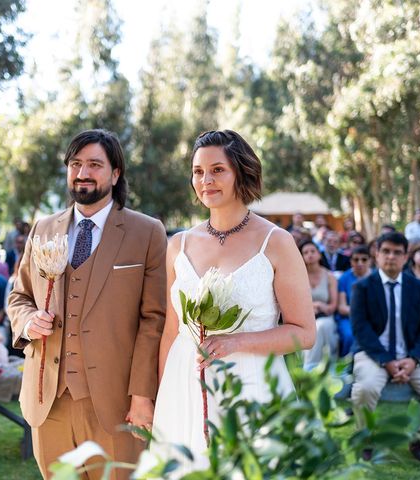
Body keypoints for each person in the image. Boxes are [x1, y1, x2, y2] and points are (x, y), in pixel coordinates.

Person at [152, 130, 315, 474]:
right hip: (184, 386)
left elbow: (304, 333)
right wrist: (160, 397)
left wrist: (236, 341)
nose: (205, 180)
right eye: (197, 171)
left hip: (251, 384)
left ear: (241, 172)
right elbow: (171, 331)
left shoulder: (277, 242)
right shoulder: (178, 245)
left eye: (217, 170)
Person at [8, 128, 167, 480]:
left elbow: (153, 320)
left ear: (115, 173)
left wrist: (143, 395)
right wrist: (27, 320)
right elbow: (19, 295)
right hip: (47, 399)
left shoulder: (148, 232)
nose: (82, 173)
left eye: (94, 164)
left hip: (117, 402)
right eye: (75, 163)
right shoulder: (43, 229)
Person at [350, 232, 420, 462]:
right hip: (373, 354)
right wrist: (386, 361)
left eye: (397, 252)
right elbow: (361, 330)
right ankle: (365, 436)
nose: (391, 257)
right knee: (365, 388)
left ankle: (417, 437)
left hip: (414, 358)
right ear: (376, 254)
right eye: (386, 251)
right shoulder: (362, 287)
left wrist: (413, 359)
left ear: (406, 256)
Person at [299, 240, 339, 369]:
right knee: (310, 328)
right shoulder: (297, 276)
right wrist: (312, 306)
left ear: (319, 254)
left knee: (321, 327)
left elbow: (333, 306)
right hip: (304, 318)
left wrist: (321, 307)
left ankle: (310, 367)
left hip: (325, 316)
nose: (309, 255)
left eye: (312, 251)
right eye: (305, 252)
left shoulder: (329, 276)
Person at [336, 246, 371, 357]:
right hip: (348, 318)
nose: (360, 263)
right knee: (349, 336)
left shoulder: (376, 277)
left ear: (370, 261)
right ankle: (345, 368)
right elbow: (341, 308)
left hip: (372, 319)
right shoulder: (344, 278)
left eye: (364, 259)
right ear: (351, 261)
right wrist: (360, 312)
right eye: (356, 260)